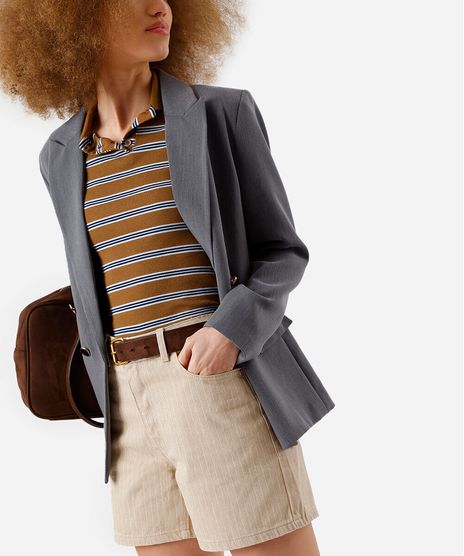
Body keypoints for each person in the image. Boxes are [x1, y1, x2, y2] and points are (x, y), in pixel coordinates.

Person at [0, 1, 335, 554]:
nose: (160, 6)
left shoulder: (221, 114)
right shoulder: (59, 154)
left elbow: (282, 251)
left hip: (214, 382)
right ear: (74, 18)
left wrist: (230, 330)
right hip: (127, 408)